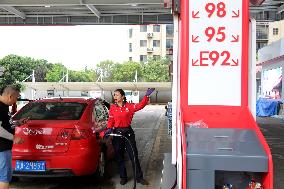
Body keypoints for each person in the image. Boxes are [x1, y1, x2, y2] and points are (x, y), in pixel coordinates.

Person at [101, 88, 155, 185]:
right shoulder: (113, 107)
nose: (115, 97)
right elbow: (111, 120)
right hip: (117, 134)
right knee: (119, 156)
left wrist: (146, 96)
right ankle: (123, 177)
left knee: (133, 155)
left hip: (128, 133)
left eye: (117, 95)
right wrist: (109, 129)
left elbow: (140, 106)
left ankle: (139, 178)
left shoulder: (129, 106)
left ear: (122, 97)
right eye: (114, 95)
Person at [0, 86, 25, 189]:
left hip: (4, 148)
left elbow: (5, 124)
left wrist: (17, 123)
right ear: (10, 96)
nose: (16, 101)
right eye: (16, 98)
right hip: (1, 148)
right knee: (4, 177)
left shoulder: (4, 106)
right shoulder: (0, 107)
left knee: (5, 176)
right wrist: (13, 138)